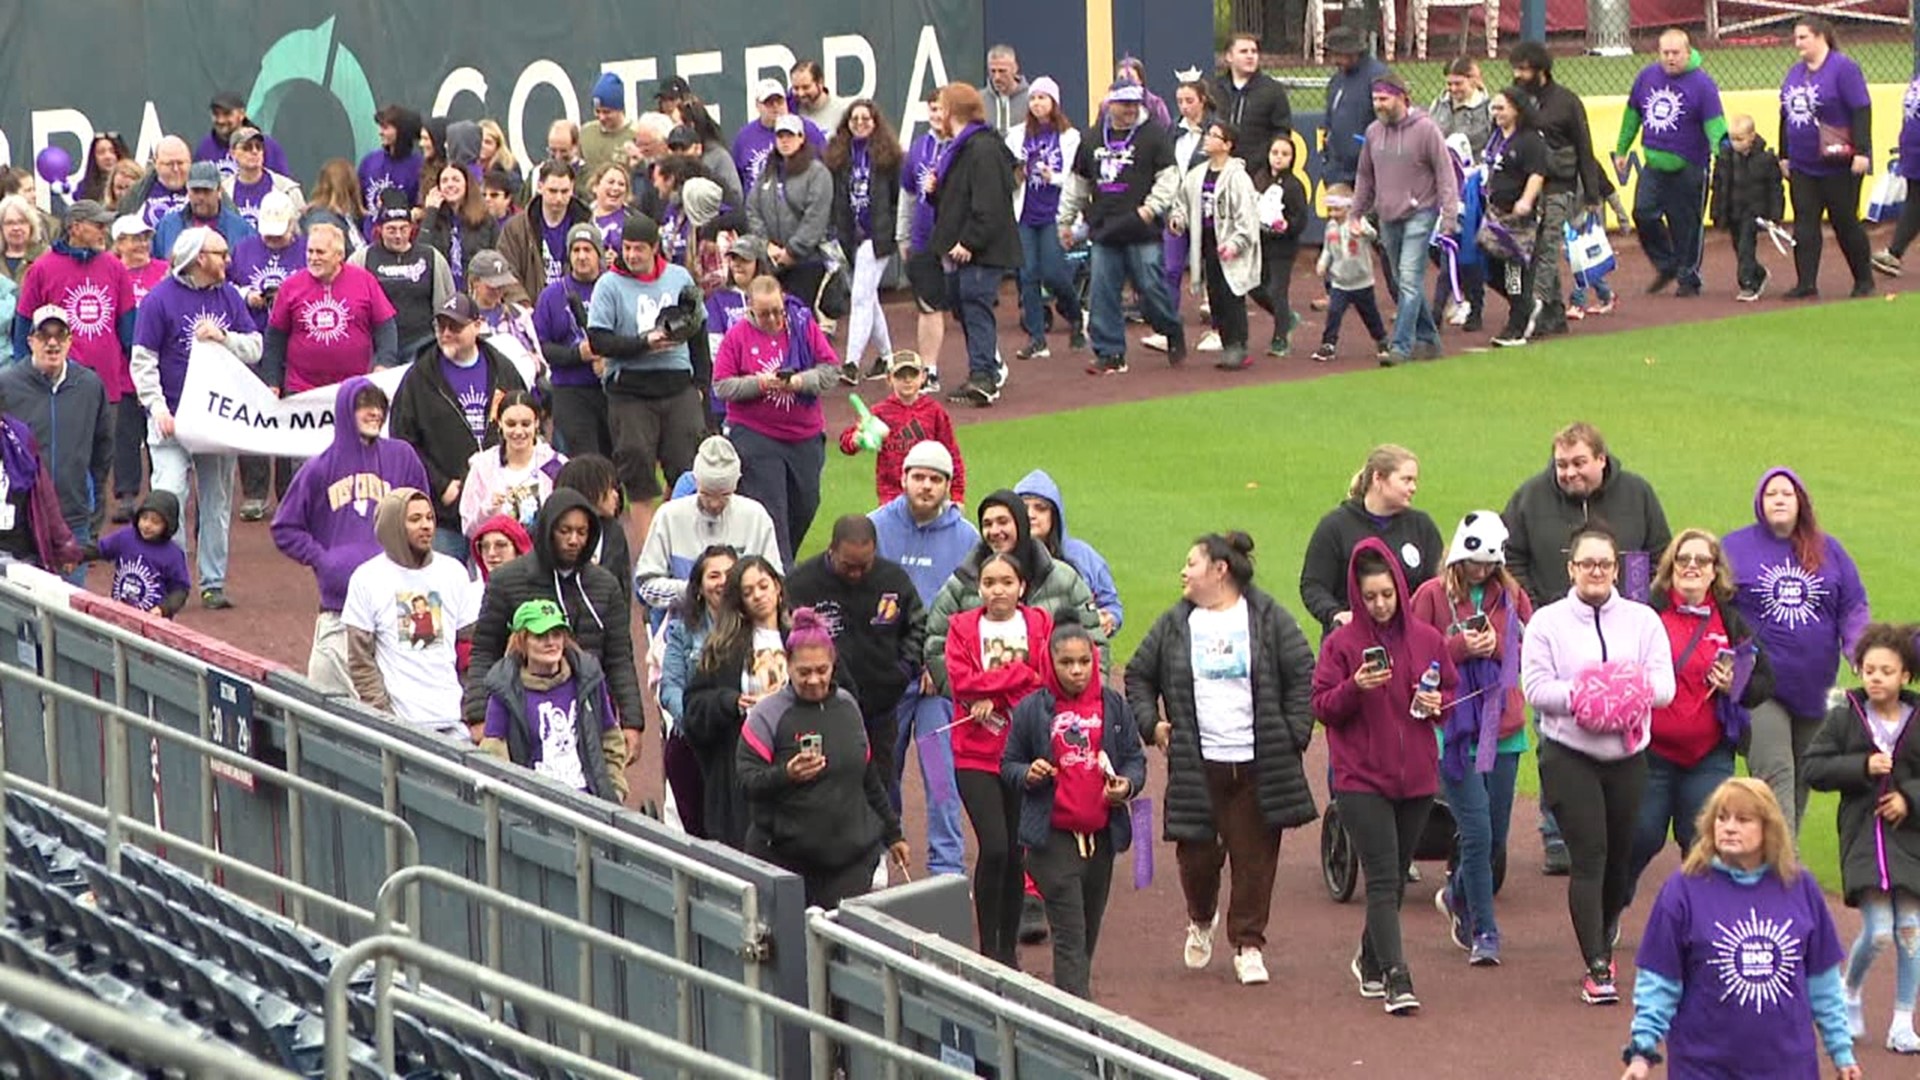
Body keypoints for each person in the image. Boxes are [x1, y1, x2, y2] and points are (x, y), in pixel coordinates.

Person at [1125, 531, 1316, 985]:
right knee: (1196, 857)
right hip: (1198, 762)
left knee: (1255, 859)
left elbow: (1302, 671)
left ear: (1219, 570)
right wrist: (1152, 724)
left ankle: (1249, 944)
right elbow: (1138, 674)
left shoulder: (1267, 618)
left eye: (1191, 563)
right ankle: (1201, 917)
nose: (1183, 572)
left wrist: (1293, 734)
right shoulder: (1175, 624)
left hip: (1257, 762)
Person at [1522, 522, 1676, 1005]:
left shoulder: (1642, 621)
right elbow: (1536, 690)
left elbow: (1665, 688)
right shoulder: (1547, 622)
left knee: (1619, 857)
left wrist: (1619, 692)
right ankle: (1596, 964)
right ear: (1571, 568)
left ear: (1616, 568)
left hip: (1628, 755)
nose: (1596, 572)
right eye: (1586, 564)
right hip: (1570, 754)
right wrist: (1594, 693)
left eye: (1604, 564)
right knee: (1589, 856)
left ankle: (1605, 926)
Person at [1620, 778, 1858, 1079]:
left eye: (1743, 820)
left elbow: (1823, 982)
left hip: (1787, 1066)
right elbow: (1659, 979)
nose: (1729, 827)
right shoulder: (1683, 890)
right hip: (1703, 1066)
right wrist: (1642, 1051)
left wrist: (1841, 1051)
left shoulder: (1800, 888)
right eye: (1722, 818)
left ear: (1768, 828)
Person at [1313, 539, 1457, 1013]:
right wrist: (1355, 687)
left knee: (1394, 877)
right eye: (1369, 596)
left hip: (1416, 778)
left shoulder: (1427, 640)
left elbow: (1445, 694)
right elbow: (1323, 708)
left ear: (1399, 588)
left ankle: (1370, 960)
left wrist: (1436, 707)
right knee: (1380, 876)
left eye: (1386, 594)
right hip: (1360, 778)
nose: (1379, 604)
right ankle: (1398, 976)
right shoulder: (1341, 645)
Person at [1410, 511, 1533, 966]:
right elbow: (1415, 655)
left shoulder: (1513, 596)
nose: (1481, 572)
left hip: (1502, 730)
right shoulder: (1430, 596)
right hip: (1452, 731)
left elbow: (1526, 655)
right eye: (1474, 563)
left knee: (1495, 838)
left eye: (1488, 564)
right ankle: (1485, 930)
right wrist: (1461, 648)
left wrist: (1495, 648)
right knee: (1477, 832)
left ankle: (1458, 893)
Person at [1723, 468, 1869, 838]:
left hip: (1815, 686)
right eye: (1771, 494)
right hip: (1757, 685)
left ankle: (1778, 857)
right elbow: (1714, 603)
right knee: (1775, 774)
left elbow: (1852, 607)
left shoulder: (1828, 549)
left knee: (1803, 774)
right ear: (1760, 503)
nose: (1779, 500)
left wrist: (1858, 650)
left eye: (1787, 493)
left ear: (1800, 501)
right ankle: (1784, 869)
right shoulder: (1736, 547)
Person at [1003, 622, 1146, 999]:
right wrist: (1029, 773)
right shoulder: (1032, 709)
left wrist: (1126, 786)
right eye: (1067, 662)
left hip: (1101, 837)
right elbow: (1009, 764)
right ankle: (1078, 1026)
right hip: (1052, 840)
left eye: (1084, 661)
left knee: (1087, 935)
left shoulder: (1113, 705)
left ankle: (1069, 1010)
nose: (1077, 670)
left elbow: (1134, 758)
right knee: (1069, 935)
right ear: (1051, 663)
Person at [1630, 529, 1775, 897]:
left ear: (1715, 571)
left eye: (1701, 560)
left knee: (1703, 844)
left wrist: (1734, 685)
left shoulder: (1730, 621)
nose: (1691, 566)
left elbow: (1763, 683)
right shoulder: (1647, 615)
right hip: (1652, 752)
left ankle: (1697, 921)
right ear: (1670, 567)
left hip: (1709, 754)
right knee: (1641, 836)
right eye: (1683, 559)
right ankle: (1612, 905)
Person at [785, 514, 926, 885]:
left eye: (864, 565)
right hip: (822, 710)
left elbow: (918, 626)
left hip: (880, 708)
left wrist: (904, 671)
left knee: (880, 780)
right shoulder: (803, 583)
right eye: (849, 565)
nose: (857, 574)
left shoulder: (892, 580)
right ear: (831, 550)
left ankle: (875, 861)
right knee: (824, 780)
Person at [737, 607, 909, 908]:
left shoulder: (848, 707)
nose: (814, 679)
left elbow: (868, 778)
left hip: (849, 863)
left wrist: (894, 834)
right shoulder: (767, 715)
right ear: (787, 665)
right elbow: (746, 782)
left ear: (833, 665)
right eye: (804, 672)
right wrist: (786, 774)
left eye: (822, 670)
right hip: (785, 863)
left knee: (842, 950)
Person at [271, 376, 430, 694]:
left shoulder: (402, 457)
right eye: (364, 406)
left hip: (402, 602)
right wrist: (323, 559)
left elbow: (424, 513)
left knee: (411, 697)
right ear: (345, 411)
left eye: (379, 407)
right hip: (340, 609)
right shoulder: (319, 468)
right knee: (326, 704)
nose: (374, 413)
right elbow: (284, 527)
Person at [1805, 623, 1920, 1055]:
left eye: (1886, 671)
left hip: (1909, 840)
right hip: (1863, 839)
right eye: (1868, 669)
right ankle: (1846, 992)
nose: (1875, 678)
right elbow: (1815, 768)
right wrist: (1861, 767)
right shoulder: (1845, 715)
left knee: (1910, 929)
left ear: (1905, 675)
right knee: (1878, 931)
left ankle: (1903, 1023)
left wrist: (1908, 798)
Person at [464, 489, 644, 766]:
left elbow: (619, 658)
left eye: (582, 532)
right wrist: (478, 715)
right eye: (565, 531)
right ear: (548, 530)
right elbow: (484, 650)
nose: (574, 540)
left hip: (588, 712)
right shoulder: (506, 581)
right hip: (523, 717)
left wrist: (632, 722)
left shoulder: (604, 585)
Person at [129, 227, 255, 609]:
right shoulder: (158, 300)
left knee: (216, 502)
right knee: (170, 497)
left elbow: (255, 346)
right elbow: (143, 361)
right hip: (172, 419)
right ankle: (174, 577)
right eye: (221, 253)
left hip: (216, 419)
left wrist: (226, 338)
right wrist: (158, 409)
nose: (227, 260)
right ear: (200, 259)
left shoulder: (229, 296)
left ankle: (213, 583)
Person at [869, 441, 975, 878]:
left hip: (936, 684)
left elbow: (971, 610)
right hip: (889, 678)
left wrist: (942, 662)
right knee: (882, 770)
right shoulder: (876, 527)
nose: (926, 486)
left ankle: (947, 866)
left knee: (940, 774)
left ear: (949, 486)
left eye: (935, 479)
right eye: (919, 477)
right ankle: (875, 851)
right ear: (904, 478)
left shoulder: (967, 538)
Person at [945, 550, 1054, 965]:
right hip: (974, 753)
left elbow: (1041, 678)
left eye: (1007, 582)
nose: (998, 590)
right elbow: (961, 680)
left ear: (1022, 586)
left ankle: (1007, 951)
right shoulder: (962, 627)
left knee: (1015, 853)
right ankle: (988, 948)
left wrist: (994, 691)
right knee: (993, 847)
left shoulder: (1040, 623)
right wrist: (1018, 676)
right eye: (990, 582)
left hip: (1022, 753)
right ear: (979, 587)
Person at [585, 213, 707, 547]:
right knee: (638, 474)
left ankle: (675, 541)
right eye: (627, 248)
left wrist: (701, 385)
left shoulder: (679, 277)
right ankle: (648, 557)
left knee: (686, 470)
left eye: (639, 248)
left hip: (677, 385)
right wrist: (644, 343)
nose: (632, 255)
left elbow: (698, 331)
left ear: (655, 248)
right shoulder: (609, 284)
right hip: (630, 390)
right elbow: (599, 341)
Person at [1059, 79, 1186, 376]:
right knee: (1103, 291)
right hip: (1104, 227)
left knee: (1151, 289)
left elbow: (1169, 177)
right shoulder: (1092, 138)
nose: (1130, 109)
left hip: (1141, 227)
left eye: (1134, 103)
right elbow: (1077, 184)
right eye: (1124, 103)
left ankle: (1171, 327)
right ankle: (1110, 352)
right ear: (1110, 103)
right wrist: (1065, 221)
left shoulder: (1153, 135)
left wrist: (1151, 208)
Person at [389, 295, 529, 561]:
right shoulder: (420, 377)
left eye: (455, 327)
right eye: (440, 327)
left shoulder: (502, 369)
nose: (446, 334)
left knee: (500, 591)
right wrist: (440, 485)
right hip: (447, 513)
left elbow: (528, 422)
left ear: (477, 325)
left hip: (499, 507)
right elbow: (402, 442)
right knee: (447, 592)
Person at [711, 275, 836, 562]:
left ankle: (773, 560)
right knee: (772, 511)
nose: (773, 319)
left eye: (777, 311)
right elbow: (722, 386)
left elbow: (830, 371)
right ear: (750, 310)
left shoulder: (803, 326)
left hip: (804, 435)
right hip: (757, 435)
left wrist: (799, 382)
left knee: (806, 504)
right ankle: (782, 576)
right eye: (764, 313)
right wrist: (760, 383)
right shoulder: (738, 336)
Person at [342, 488, 476, 739]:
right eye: (415, 519)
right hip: (401, 728)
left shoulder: (453, 572)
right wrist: (384, 717)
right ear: (393, 525)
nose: (426, 526)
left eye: (429, 518)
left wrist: (468, 709)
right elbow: (361, 661)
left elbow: (470, 647)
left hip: (453, 723)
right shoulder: (366, 579)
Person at [1504, 421, 1673, 610]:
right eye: (1561, 465)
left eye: (1579, 463)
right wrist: (1533, 609)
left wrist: (1640, 610)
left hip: (1626, 625)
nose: (1570, 473)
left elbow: (1662, 557)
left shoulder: (1637, 494)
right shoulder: (1530, 498)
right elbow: (1510, 559)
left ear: (1601, 459)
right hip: (1554, 626)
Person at [683, 555, 790, 848]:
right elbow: (694, 707)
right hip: (742, 768)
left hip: (792, 764)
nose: (758, 595)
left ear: (778, 588)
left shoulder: (802, 640)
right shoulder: (725, 648)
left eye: (763, 586)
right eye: (747, 591)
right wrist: (730, 703)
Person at [1352, 70, 1458, 365]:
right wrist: (1355, 212)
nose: (1378, 104)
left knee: (1410, 280)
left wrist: (1449, 217)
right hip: (1387, 214)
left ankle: (1400, 346)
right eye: (1375, 99)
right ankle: (1429, 340)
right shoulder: (1374, 132)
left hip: (1420, 213)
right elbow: (1365, 175)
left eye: (1383, 98)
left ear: (1401, 97)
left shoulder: (1426, 129)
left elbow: (1444, 173)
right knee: (1401, 281)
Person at [0, 305, 111, 582]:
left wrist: (93, 506)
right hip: (22, 526)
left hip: (73, 518)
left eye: (60, 335)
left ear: (70, 340)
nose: (52, 342)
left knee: (70, 611)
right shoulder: (7, 385)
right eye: (44, 335)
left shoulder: (90, 385)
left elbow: (102, 449)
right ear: (30, 340)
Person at [480, 598, 628, 802]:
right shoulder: (504, 690)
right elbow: (494, 755)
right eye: (541, 635)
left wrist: (615, 790)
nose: (551, 642)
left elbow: (611, 738)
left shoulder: (588, 677)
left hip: (591, 804)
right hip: (537, 811)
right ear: (522, 640)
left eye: (557, 634)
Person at [1613, 29, 1725, 299]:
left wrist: (1721, 154)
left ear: (1688, 52)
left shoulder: (1703, 85)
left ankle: (1689, 277)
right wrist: (1621, 149)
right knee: (1643, 212)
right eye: (1665, 53)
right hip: (1654, 163)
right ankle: (1667, 264)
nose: (1670, 58)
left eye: (1676, 53)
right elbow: (1632, 115)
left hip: (1690, 165)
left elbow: (1715, 125)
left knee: (1686, 224)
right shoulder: (1647, 77)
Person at [929, 82, 1021, 406]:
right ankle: (986, 367)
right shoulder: (958, 148)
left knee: (975, 303)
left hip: (982, 249)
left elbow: (990, 202)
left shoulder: (982, 148)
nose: (938, 113)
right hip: (958, 248)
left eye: (942, 106)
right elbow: (955, 201)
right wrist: (933, 190)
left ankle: (984, 375)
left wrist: (970, 240)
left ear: (954, 110)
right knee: (963, 305)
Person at [1509, 41, 1603, 338]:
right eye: (1516, 68)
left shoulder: (1567, 102)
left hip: (1558, 185)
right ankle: (1554, 313)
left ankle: (1537, 312)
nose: (1517, 74)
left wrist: (1592, 194)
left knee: (1547, 250)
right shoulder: (1515, 99)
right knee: (1533, 251)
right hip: (1524, 187)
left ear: (1542, 70)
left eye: (1524, 69)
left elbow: (1585, 147)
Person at [1299, 444, 1445, 635]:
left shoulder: (1421, 526)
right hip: (1351, 642)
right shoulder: (1335, 526)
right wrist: (1335, 614)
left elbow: (1438, 586)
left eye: (1414, 481)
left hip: (1406, 641)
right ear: (1378, 478)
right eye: (1406, 480)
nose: (1413, 488)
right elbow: (1313, 585)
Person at [1779, 15, 1875, 299]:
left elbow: (1861, 108)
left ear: (1820, 37)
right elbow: (1785, 114)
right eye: (1796, 38)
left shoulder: (1843, 68)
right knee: (1805, 221)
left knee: (1844, 220)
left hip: (1837, 162)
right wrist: (1784, 154)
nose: (1798, 43)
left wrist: (1862, 151)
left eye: (1803, 37)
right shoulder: (1795, 72)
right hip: (1803, 162)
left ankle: (1863, 279)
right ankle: (1806, 282)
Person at [632, 435, 782, 612]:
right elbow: (645, 583)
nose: (714, 503)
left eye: (724, 495)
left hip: (743, 625)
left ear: (736, 485)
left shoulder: (756, 517)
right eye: (706, 494)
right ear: (696, 481)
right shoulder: (669, 516)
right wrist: (695, 591)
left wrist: (742, 592)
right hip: (681, 629)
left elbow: (775, 582)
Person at [263, 221, 399, 395]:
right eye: (310, 251)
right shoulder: (290, 286)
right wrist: (272, 381)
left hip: (354, 388)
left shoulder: (364, 281)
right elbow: (275, 339)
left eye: (320, 252)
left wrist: (384, 364)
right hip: (301, 391)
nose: (313, 258)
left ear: (339, 255)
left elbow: (385, 327)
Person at [658, 544, 738, 835]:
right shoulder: (682, 630)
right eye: (714, 575)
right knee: (701, 834)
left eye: (730, 574)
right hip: (690, 748)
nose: (722, 582)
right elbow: (669, 688)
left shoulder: (754, 627)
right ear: (700, 587)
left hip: (736, 747)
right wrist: (695, 724)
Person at [1170, 120, 1262, 372]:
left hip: (1231, 247)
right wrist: (1179, 220)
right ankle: (1226, 342)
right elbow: (1183, 203)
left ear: (1227, 144)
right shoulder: (1196, 175)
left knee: (1232, 296)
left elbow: (1247, 217)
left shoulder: (1237, 177)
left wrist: (1235, 243)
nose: (1207, 139)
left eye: (1214, 136)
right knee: (1216, 297)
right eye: (1208, 135)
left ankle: (1238, 346)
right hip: (1208, 244)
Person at [1007, 77, 1086, 362]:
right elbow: (1009, 171)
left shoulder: (1069, 136)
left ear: (1054, 102)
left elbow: (1076, 178)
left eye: (1043, 98)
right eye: (1033, 98)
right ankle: (1036, 338)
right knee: (1027, 275)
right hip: (1026, 213)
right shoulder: (1017, 135)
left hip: (1054, 212)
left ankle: (1076, 317)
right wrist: (1019, 174)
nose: (1037, 103)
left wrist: (1053, 177)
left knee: (1053, 272)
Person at [825, 99, 901, 380]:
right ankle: (887, 358)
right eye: (854, 119)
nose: (860, 124)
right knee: (869, 298)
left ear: (875, 122)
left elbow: (897, 199)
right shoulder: (838, 156)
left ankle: (851, 363)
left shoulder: (889, 157)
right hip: (849, 236)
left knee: (859, 297)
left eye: (865, 119)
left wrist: (891, 229)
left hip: (877, 236)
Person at [838, 350, 966, 508]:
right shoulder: (879, 412)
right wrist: (856, 440)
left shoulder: (935, 412)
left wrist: (957, 495)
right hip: (891, 496)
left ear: (923, 377)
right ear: (889, 379)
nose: (907, 380)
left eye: (913, 375)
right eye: (900, 375)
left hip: (929, 491)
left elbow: (951, 453)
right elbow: (846, 443)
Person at [1479, 86, 1552, 348]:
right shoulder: (1496, 136)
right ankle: (1525, 303)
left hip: (1518, 220)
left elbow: (1537, 173)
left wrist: (1526, 200)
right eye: (1494, 108)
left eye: (1501, 108)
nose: (1496, 113)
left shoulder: (1530, 140)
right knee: (1484, 264)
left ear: (1517, 110)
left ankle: (1516, 325)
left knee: (1513, 268)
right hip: (1494, 214)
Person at [532, 223, 609, 458]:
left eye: (588, 250)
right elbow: (544, 347)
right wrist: (579, 354)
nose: (582, 256)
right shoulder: (552, 295)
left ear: (599, 254)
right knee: (584, 459)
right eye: (576, 250)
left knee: (614, 460)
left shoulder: (612, 288)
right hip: (570, 388)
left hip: (610, 388)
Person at [748, 114, 838, 314]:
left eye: (790, 135)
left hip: (807, 262)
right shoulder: (768, 172)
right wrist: (766, 245)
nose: (785, 141)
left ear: (801, 138)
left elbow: (815, 218)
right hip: (772, 261)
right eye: (781, 136)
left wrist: (792, 251)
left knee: (800, 317)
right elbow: (752, 210)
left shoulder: (817, 173)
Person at [1014, 470, 1120, 636]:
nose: (1030, 515)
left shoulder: (1083, 556)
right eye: (1023, 507)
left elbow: (1111, 604)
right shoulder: (1002, 557)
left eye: (1040, 508)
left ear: (1054, 515)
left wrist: (1110, 619)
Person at [349, 202, 455, 362]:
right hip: (379, 347)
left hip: (423, 342)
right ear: (380, 230)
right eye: (391, 230)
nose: (398, 235)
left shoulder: (431, 257)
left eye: (403, 229)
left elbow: (448, 302)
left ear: (411, 228)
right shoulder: (362, 259)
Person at [897, 89, 951, 389]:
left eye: (941, 109)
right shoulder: (918, 148)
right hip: (923, 237)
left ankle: (988, 360)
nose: (937, 116)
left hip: (958, 240)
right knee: (928, 306)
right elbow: (907, 194)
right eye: (932, 110)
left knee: (967, 306)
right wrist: (902, 236)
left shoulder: (963, 146)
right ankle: (929, 369)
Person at [459, 389, 562, 535]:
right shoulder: (483, 466)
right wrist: (487, 510)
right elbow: (468, 528)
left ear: (537, 423)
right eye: (511, 424)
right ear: (500, 423)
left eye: (526, 424)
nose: (518, 431)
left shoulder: (551, 462)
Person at [1712, 114, 1787, 302]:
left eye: (1740, 139)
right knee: (1739, 247)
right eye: (1732, 139)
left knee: (1746, 247)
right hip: (1733, 211)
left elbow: (1775, 188)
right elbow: (1720, 185)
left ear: (1752, 136)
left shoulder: (1766, 159)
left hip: (1754, 212)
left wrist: (1775, 215)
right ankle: (1758, 273)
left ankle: (1747, 284)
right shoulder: (1725, 158)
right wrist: (1717, 211)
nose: (1735, 143)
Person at [1310, 184, 1388, 363]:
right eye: (1330, 210)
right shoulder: (1330, 226)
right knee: (1334, 313)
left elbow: (1373, 235)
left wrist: (1363, 232)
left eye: (1337, 209)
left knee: (1370, 314)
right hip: (1340, 282)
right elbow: (1328, 248)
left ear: (1348, 207)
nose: (1333, 214)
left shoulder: (1358, 221)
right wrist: (1323, 263)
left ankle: (1381, 339)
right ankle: (1328, 344)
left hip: (1362, 281)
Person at [1249, 134, 1309, 357]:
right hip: (1260, 244)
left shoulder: (1294, 186)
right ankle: (1287, 318)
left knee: (1277, 290)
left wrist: (1286, 225)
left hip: (1283, 247)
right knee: (1254, 286)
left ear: (1293, 158)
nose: (1278, 158)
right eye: (1275, 153)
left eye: (1285, 154)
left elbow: (1300, 219)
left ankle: (1280, 339)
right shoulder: (1259, 179)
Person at [498, 161, 591, 298]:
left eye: (564, 191)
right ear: (540, 187)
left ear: (572, 189)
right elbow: (506, 270)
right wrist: (523, 306)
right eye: (553, 191)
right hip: (529, 310)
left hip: (574, 308)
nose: (559, 198)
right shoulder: (516, 228)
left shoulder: (586, 226)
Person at [96, 490, 189, 617]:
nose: (147, 525)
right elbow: (100, 549)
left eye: (155, 522)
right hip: (118, 616)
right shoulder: (125, 537)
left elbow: (180, 589)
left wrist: (164, 609)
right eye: (144, 518)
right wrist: (76, 556)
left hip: (152, 623)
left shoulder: (173, 555)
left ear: (167, 525)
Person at [1320, 27, 1391, 188]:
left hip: (1368, 174)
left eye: (1338, 54)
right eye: (1332, 54)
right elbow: (1330, 122)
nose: (1334, 60)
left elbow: (1390, 125)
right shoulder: (1337, 80)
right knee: (1337, 213)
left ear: (1353, 53)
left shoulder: (1378, 77)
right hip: (1336, 171)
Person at [552, 454, 631, 589]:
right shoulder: (551, 531)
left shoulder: (613, 533)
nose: (616, 495)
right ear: (589, 490)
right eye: (609, 488)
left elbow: (622, 586)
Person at [733, 80, 827, 191]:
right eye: (769, 103)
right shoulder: (744, 138)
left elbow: (825, 169)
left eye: (779, 101)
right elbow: (736, 180)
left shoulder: (807, 129)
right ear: (758, 105)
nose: (775, 106)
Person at [1219, 33, 1293, 174]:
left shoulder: (1272, 90)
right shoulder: (1215, 89)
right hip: (1221, 168)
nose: (1250, 56)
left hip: (1259, 172)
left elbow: (1282, 131)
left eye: (1254, 51)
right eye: (1243, 51)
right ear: (1229, 56)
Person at [152, 162, 255, 262]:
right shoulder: (168, 226)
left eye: (206, 191)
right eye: (196, 191)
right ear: (188, 190)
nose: (201, 197)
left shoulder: (241, 230)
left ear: (219, 191)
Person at [421, 162, 499, 294]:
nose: (450, 184)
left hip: (475, 294)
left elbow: (496, 258)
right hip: (441, 294)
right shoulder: (432, 219)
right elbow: (421, 256)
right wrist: (430, 213)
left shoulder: (485, 220)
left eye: (456, 180)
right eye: (444, 181)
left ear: (467, 185)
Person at [358, 105, 425, 235]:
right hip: (369, 242)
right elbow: (358, 203)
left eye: (386, 128)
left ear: (401, 131)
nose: (380, 132)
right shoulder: (369, 162)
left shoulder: (418, 166)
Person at [221, 126, 303, 233]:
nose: (254, 152)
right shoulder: (223, 191)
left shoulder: (286, 190)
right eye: (247, 148)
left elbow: (300, 234)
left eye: (258, 147)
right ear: (233, 153)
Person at [196, 92, 290, 179]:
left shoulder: (266, 146)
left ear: (242, 114)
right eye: (216, 114)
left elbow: (282, 185)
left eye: (227, 114)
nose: (221, 120)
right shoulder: (205, 147)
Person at [117, 136, 192, 229]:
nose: (176, 169)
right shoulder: (137, 195)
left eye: (180, 163)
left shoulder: (203, 191)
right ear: (156, 163)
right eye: (169, 164)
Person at [1431, 58, 1492, 160]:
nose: (1453, 89)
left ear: (1473, 81)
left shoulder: (1488, 109)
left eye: (1458, 83)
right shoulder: (1438, 105)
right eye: (1449, 84)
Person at [580, 73, 638, 177]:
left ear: (620, 109)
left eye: (607, 112)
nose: (602, 117)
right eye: (597, 111)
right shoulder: (585, 134)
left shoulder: (635, 135)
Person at [789, 60, 850, 136]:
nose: (801, 93)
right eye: (796, 88)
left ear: (820, 83)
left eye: (806, 87)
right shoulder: (790, 111)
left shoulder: (842, 111)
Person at [984, 45, 1031, 134]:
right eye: (993, 71)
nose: (997, 77)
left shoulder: (1032, 98)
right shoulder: (978, 100)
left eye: (1002, 71)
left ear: (1015, 68)